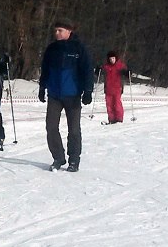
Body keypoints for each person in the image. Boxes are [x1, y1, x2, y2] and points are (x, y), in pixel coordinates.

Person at [38, 19, 93, 171]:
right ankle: (58, 157)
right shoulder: (52, 49)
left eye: (60, 30)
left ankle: (74, 160)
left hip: (73, 95)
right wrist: (42, 87)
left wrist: (88, 91)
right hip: (54, 95)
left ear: (69, 31)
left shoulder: (79, 48)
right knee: (51, 127)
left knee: (74, 130)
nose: (57, 33)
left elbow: (87, 70)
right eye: (55, 30)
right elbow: (45, 70)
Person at [98, 51, 129, 124]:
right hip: (108, 89)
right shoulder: (106, 66)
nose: (112, 60)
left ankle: (119, 119)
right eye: (110, 59)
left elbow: (127, 73)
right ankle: (111, 119)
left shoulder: (120, 66)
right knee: (109, 105)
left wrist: (127, 72)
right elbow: (100, 71)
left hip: (117, 88)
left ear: (116, 58)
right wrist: (98, 70)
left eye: (113, 58)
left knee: (117, 104)